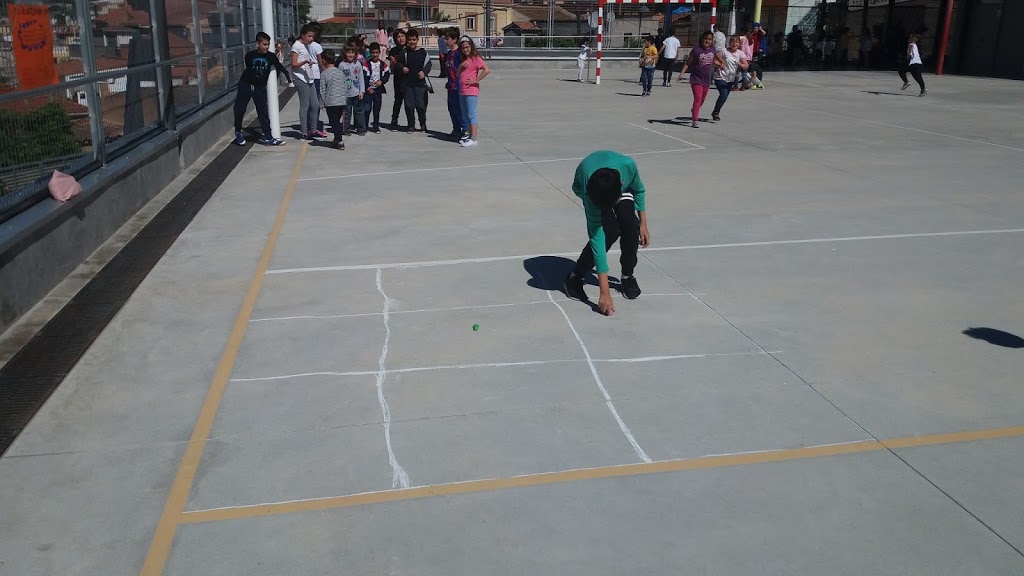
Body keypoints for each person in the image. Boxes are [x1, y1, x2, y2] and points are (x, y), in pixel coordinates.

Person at [564, 150, 651, 316]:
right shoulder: (590, 192)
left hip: (617, 185)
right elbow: (597, 238)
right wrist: (604, 292)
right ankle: (576, 276)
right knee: (609, 231)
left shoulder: (628, 167)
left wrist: (643, 223)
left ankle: (627, 276)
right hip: (589, 185)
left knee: (630, 225)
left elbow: (639, 190)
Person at [233, 31, 289, 146]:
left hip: (259, 87)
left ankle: (268, 138)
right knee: (240, 109)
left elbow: (279, 67)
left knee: (263, 111)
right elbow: (249, 68)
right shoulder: (250, 55)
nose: (267, 47)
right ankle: (238, 131)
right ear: (257, 44)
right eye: (264, 44)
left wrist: (288, 79)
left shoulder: (271, 56)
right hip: (246, 84)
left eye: (268, 44)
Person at [678, 31, 718, 128]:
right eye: (706, 39)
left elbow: (713, 60)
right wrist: (682, 73)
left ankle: (694, 110)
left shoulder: (713, 50)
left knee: (702, 100)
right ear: (702, 39)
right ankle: (695, 120)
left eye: (709, 39)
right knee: (698, 98)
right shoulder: (696, 50)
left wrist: (719, 65)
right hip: (696, 79)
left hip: (707, 79)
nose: (707, 41)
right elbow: (688, 63)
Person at [457, 36, 489, 148]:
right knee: (464, 115)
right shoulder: (463, 60)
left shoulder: (476, 58)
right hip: (462, 90)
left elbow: (486, 70)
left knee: (471, 114)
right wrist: (460, 66)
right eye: (463, 48)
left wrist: (476, 80)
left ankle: (474, 139)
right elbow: (457, 74)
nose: (465, 50)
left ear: (471, 46)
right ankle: (470, 136)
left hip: (471, 91)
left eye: (467, 47)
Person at [290, 24, 321, 140]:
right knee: (305, 105)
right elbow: (294, 64)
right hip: (300, 78)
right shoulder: (296, 46)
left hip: (309, 77)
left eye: (312, 36)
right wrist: (304, 62)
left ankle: (313, 129)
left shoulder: (306, 46)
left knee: (315, 104)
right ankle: (303, 132)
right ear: (303, 35)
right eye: (309, 36)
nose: (311, 39)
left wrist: (309, 63)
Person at [319, 49, 350, 149]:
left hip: (331, 102)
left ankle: (339, 141)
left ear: (323, 60)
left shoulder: (324, 74)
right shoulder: (340, 72)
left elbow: (322, 90)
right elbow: (346, 85)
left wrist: (322, 103)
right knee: (337, 120)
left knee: (334, 122)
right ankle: (336, 139)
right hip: (341, 101)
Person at [711, 35, 748, 122]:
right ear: (729, 43)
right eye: (733, 42)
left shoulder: (740, 53)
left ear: (739, 44)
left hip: (731, 79)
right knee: (723, 94)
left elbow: (746, 65)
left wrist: (740, 64)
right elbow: (714, 60)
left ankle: (715, 111)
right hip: (720, 77)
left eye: (737, 42)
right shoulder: (724, 51)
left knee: (724, 97)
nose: (734, 44)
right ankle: (716, 113)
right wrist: (719, 65)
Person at [401, 28, 432, 132]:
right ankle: (411, 125)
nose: (412, 42)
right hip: (408, 84)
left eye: (414, 39)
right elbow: (398, 63)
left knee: (421, 106)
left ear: (417, 40)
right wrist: (402, 68)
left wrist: (424, 72)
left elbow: (429, 64)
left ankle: (423, 124)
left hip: (421, 85)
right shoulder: (405, 53)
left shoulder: (423, 52)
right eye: (410, 40)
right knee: (409, 106)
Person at [335, 45, 365, 135]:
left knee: (359, 112)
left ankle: (361, 129)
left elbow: (361, 78)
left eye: (352, 52)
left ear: (355, 54)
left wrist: (362, 91)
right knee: (346, 113)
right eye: (348, 52)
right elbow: (339, 79)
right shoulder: (342, 65)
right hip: (346, 94)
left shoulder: (358, 64)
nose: (350, 55)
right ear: (344, 53)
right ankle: (346, 129)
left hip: (357, 93)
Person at [362, 42, 390, 133]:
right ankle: (365, 126)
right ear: (370, 52)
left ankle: (376, 126)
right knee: (367, 109)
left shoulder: (383, 64)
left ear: (379, 53)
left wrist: (381, 81)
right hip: (368, 90)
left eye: (377, 52)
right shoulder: (366, 64)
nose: (375, 55)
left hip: (378, 90)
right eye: (373, 53)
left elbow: (387, 75)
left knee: (377, 109)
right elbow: (364, 77)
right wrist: (367, 88)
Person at [443, 27, 465, 140]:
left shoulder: (459, 53)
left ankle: (465, 130)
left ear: (455, 39)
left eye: (447, 39)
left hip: (458, 86)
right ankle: (456, 129)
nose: (445, 41)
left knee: (459, 109)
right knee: (451, 108)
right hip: (450, 86)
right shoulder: (449, 53)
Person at [307, 23, 327, 138]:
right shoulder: (317, 46)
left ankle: (309, 126)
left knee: (309, 103)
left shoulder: (305, 44)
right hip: (316, 75)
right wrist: (326, 73)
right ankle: (313, 127)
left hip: (308, 74)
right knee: (316, 103)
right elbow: (320, 62)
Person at [388, 28, 408, 129]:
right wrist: (396, 64)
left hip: (409, 79)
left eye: (402, 36)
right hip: (398, 79)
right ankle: (394, 120)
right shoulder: (393, 51)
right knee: (398, 100)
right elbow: (393, 66)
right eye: (398, 37)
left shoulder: (409, 49)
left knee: (409, 102)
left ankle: (411, 122)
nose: (401, 39)